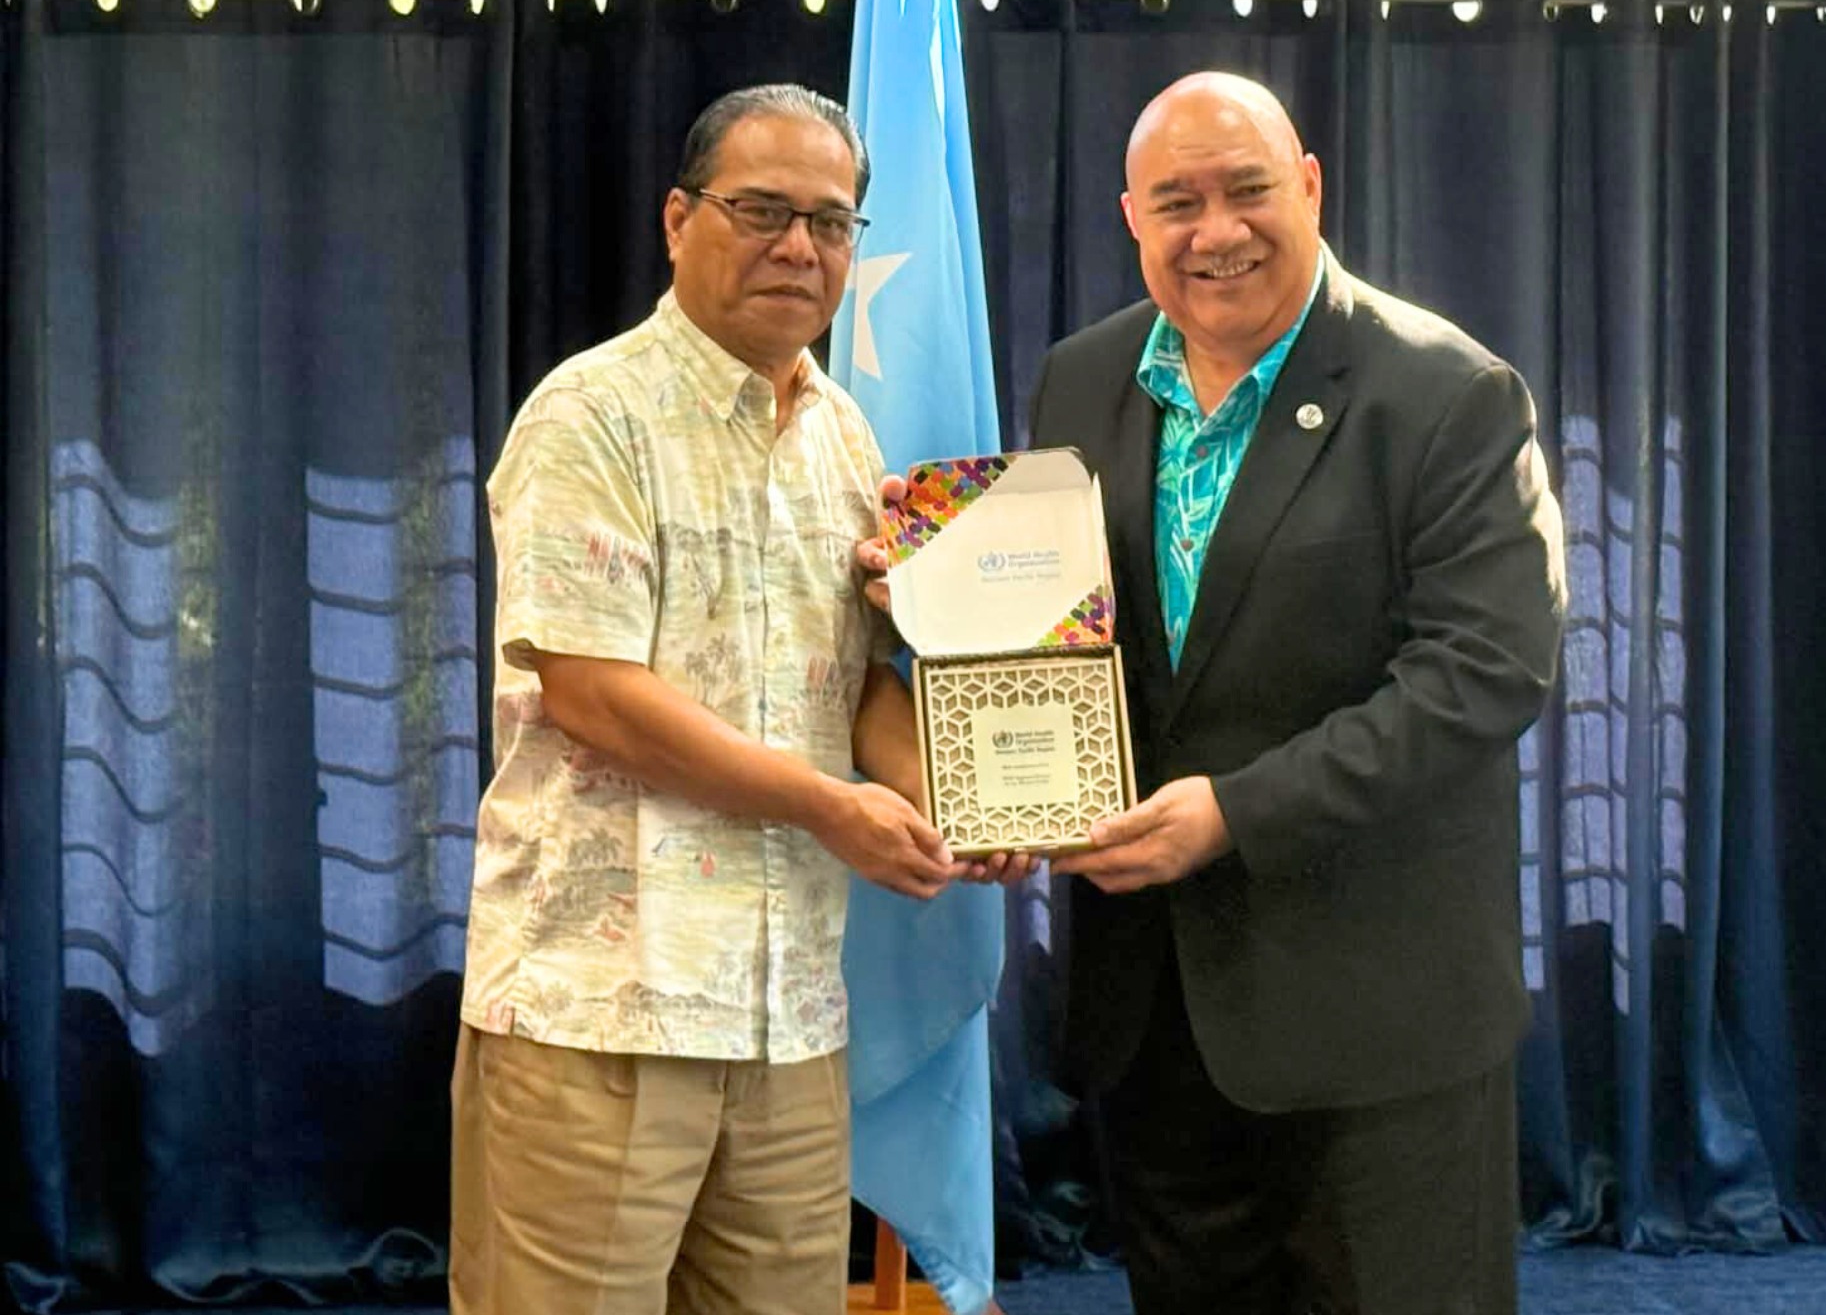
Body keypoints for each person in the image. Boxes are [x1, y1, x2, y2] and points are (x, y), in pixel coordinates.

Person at [1028, 72, 1566, 1313]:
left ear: (1309, 186)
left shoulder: (1446, 392)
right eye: (1177, 203)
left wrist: (1235, 812)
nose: (1215, 231)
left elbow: (1484, 672)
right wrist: (939, 602)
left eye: (1246, 190)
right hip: (1152, 1017)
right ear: (1130, 219)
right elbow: (1059, 632)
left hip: (1378, 1030)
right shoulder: (1079, 379)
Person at [450, 84, 957, 1315]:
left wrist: (949, 793)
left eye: (831, 223)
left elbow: (850, 691)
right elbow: (595, 696)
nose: (799, 246)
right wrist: (835, 811)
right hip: (601, 1012)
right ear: (678, 221)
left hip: (788, 1013)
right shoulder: (592, 413)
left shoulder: (844, 438)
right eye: (761, 210)